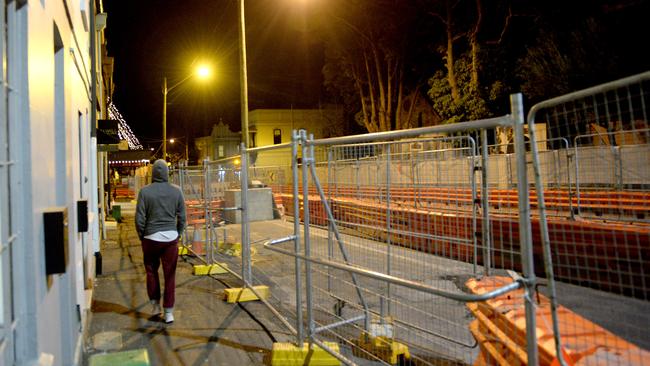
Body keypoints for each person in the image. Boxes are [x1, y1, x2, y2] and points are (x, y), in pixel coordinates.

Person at [135, 159, 186, 323]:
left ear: (153, 173)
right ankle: (169, 312)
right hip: (170, 238)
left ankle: (155, 306)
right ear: (166, 173)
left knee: (151, 271)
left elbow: (139, 218)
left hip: (150, 238)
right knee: (170, 275)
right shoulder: (177, 191)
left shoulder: (144, 192)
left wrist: (142, 235)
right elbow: (182, 217)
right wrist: (177, 233)